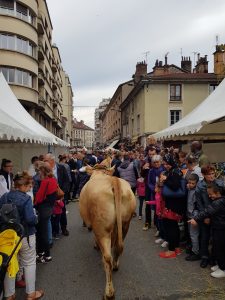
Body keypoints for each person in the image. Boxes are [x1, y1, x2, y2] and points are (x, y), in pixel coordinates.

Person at [0, 172, 43, 300]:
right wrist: (37, 217)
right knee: (29, 263)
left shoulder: (4, 196)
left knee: (9, 263)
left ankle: (9, 294)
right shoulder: (26, 199)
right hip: (25, 235)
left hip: (8, 236)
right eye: (29, 186)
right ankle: (31, 293)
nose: (30, 188)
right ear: (23, 185)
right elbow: (30, 219)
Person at [189, 183, 225, 278]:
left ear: (217, 193)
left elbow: (207, 211)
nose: (209, 196)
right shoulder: (220, 200)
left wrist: (195, 219)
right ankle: (221, 265)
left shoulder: (218, 202)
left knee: (219, 248)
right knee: (217, 247)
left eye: (211, 194)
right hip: (218, 227)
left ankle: (223, 269)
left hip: (221, 228)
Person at [195, 165, 224, 268]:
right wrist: (205, 217)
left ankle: (214, 258)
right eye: (209, 174)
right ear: (203, 175)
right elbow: (199, 203)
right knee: (205, 236)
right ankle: (204, 257)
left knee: (217, 239)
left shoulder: (220, 183)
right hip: (205, 214)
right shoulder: (200, 186)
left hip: (217, 215)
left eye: (213, 173)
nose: (212, 176)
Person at [159, 154, 187, 258]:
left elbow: (175, 186)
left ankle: (171, 250)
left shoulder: (175, 172)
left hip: (173, 205)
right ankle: (177, 248)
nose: (165, 166)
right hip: (173, 204)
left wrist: (165, 179)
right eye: (164, 164)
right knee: (173, 227)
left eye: (167, 164)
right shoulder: (173, 171)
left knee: (170, 227)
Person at [34, 163, 58, 263]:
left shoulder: (45, 182)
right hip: (50, 208)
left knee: (41, 232)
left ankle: (45, 255)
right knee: (43, 231)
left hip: (43, 209)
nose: (38, 172)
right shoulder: (53, 179)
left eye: (39, 170)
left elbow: (39, 197)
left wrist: (34, 204)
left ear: (43, 171)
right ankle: (42, 253)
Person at [43, 154, 70, 236]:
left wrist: (62, 193)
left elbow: (66, 181)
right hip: (49, 195)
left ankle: (64, 228)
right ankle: (54, 230)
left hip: (60, 194)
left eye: (46, 160)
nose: (44, 162)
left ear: (52, 160)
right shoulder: (44, 170)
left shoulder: (61, 168)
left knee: (62, 211)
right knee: (51, 212)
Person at [185, 173, 201, 261]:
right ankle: (194, 249)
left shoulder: (197, 192)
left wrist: (195, 218)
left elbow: (197, 206)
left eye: (193, 183)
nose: (190, 184)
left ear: (197, 183)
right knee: (192, 234)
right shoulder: (189, 189)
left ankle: (196, 253)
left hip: (194, 216)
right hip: (189, 215)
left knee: (194, 234)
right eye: (189, 182)